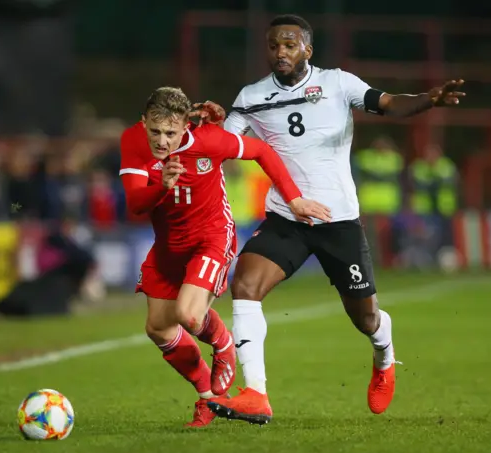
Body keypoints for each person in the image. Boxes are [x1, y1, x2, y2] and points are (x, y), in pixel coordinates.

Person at [195, 14, 465, 424]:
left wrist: (429, 98)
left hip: (338, 221)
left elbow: (389, 104)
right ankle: (255, 394)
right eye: (273, 45)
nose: (280, 52)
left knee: (366, 319)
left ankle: (384, 355)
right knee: (245, 285)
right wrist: (206, 122)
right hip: (287, 216)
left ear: (308, 48)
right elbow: (224, 144)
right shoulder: (251, 96)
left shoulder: (339, 83)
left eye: (289, 44)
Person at [119, 87, 330, 428]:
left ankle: (223, 342)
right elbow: (135, 204)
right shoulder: (132, 141)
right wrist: (161, 186)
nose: (161, 141)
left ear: (186, 126)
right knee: (158, 327)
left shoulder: (210, 141)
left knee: (188, 315)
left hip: (211, 237)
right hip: (168, 244)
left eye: (170, 133)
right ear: (142, 122)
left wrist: (293, 199)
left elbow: (262, 151)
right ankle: (210, 398)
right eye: (154, 131)